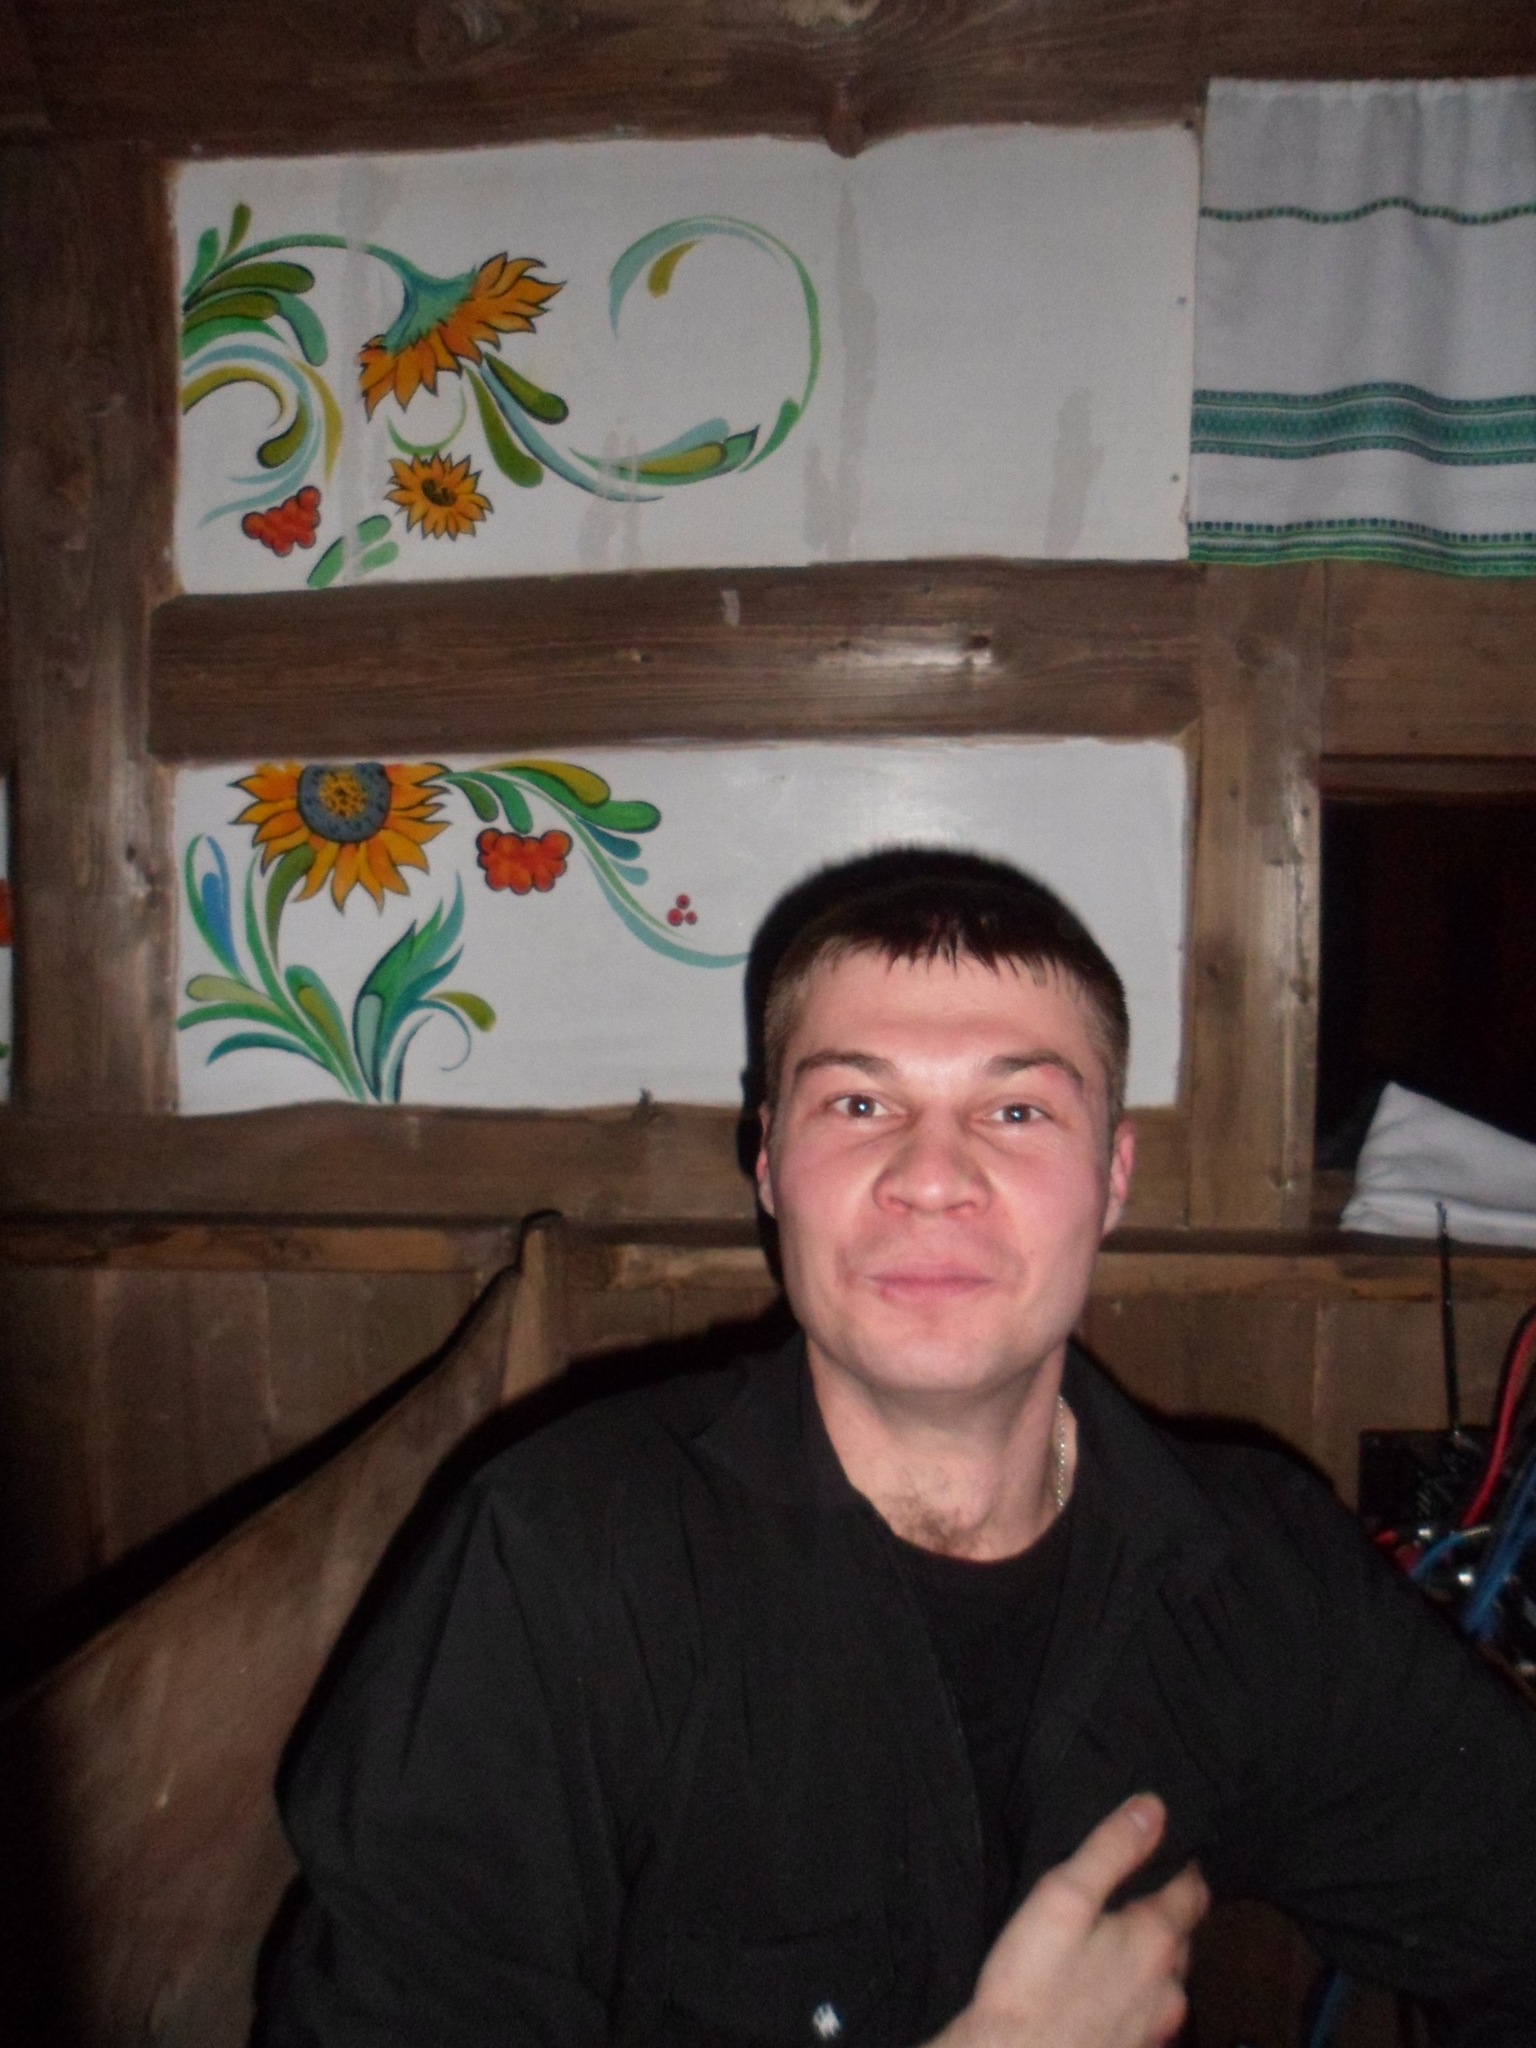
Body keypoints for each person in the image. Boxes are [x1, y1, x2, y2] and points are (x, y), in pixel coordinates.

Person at [254, 855, 1536, 2048]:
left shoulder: (1254, 1565)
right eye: (860, 1103)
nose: (933, 1176)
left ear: (1113, 1177)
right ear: (771, 1163)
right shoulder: (557, 1561)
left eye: (1017, 1108)